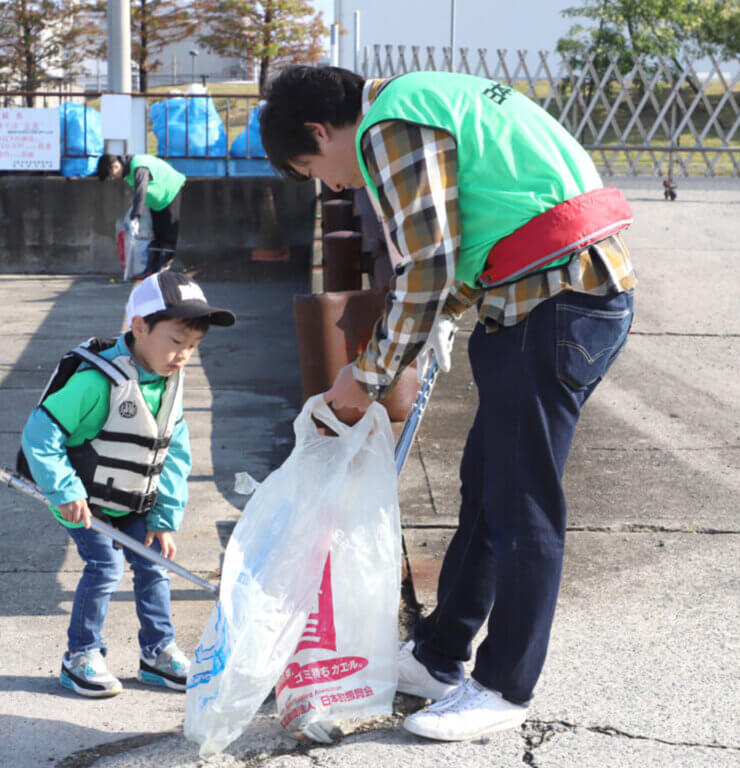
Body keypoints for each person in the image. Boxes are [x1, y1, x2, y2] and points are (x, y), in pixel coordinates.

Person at [260, 66, 636, 741]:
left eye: (315, 167)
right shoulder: (427, 94)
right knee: (486, 490)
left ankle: (503, 686)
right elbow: (480, 234)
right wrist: (444, 314)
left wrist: (369, 374)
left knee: (522, 504)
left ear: (321, 130)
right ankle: (440, 655)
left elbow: (427, 262)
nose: (335, 186)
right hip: (555, 298)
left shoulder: (389, 125)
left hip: (550, 308)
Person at [20, 271, 235, 697]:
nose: (183, 355)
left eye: (193, 346)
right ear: (139, 327)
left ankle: (157, 652)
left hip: (137, 500)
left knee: (153, 562)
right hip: (86, 501)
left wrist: (164, 516)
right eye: (176, 341)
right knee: (105, 566)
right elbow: (39, 435)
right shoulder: (96, 380)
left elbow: (174, 453)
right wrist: (65, 491)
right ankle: (81, 654)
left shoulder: (171, 384)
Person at [98, 153, 187, 276]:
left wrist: (136, 216)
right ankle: (152, 270)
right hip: (157, 198)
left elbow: (141, 190)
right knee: (157, 234)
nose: (112, 179)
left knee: (168, 234)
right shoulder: (128, 170)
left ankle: (162, 272)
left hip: (170, 191)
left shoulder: (138, 166)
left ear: (116, 166)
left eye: (111, 176)